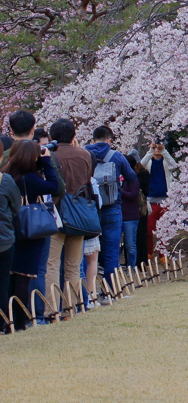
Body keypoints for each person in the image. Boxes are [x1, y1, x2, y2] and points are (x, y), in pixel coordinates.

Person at [7, 140, 59, 329]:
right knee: (24, 276)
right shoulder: (30, 178)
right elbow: (55, 187)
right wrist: (46, 162)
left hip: (12, 228)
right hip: (30, 231)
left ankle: (8, 319)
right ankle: (20, 321)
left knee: (11, 276)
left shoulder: (8, 175)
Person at [45, 118, 94, 315]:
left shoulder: (50, 156)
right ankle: (72, 307)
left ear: (52, 136)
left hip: (56, 214)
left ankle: (51, 310)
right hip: (79, 214)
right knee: (73, 265)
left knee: (52, 265)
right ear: (74, 135)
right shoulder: (86, 155)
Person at [85, 126, 137, 298]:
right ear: (109, 140)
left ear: (93, 140)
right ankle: (109, 291)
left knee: (87, 251)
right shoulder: (116, 156)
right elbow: (132, 177)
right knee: (111, 252)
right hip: (112, 208)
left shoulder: (84, 154)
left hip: (90, 209)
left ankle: (87, 293)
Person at [141, 140, 177, 259]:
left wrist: (164, 151)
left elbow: (175, 165)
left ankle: (163, 254)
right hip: (151, 200)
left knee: (165, 229)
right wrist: (150, 150)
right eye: (155, 147)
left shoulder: (166, 162)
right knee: (149, 229)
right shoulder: (149, 162)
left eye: (158, 147)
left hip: (165, 199)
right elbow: (141, 164)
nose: (157, 149)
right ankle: (149, 252)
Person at [0, 167, 20, 331]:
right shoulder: (5, 180)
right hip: (3, 239)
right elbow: (16, 207)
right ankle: (2, 322)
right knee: (2, 284)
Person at [119, 158, 142, 269]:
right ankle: (116, 267)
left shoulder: (132, 179)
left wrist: (120, 191)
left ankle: (132, 267)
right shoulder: (116, 178)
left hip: (130, 216)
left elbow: (133, 195)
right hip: (117, 214)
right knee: (115, 245)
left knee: (130, 245)